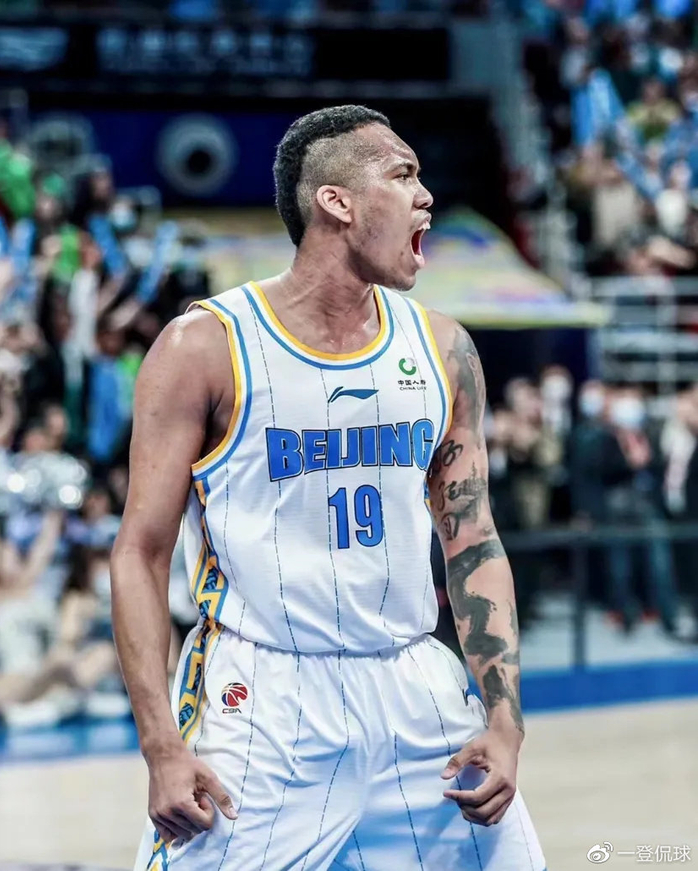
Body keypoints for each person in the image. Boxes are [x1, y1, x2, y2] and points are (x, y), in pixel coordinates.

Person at [111, 105, 545, 871]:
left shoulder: (443, 347)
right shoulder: (205, 345)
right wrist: (161, 744)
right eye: (402, 174)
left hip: (415, 686)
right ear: (336, 202)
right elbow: (139, 553)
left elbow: (473, 540)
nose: (426, 195)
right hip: (264, 694)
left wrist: (506, 720)